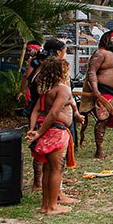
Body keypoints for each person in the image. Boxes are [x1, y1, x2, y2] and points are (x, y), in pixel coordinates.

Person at [25, 56, 82, 215]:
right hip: (55, 131)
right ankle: (52, 207)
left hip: (47, 130)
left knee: (48, 168)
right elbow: (53, 113)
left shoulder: (46, 90)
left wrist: (33, 129)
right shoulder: (62, 89)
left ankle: (45, 205)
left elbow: (35, 110)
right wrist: (39, 133)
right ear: (61, 72)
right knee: (57, 169)